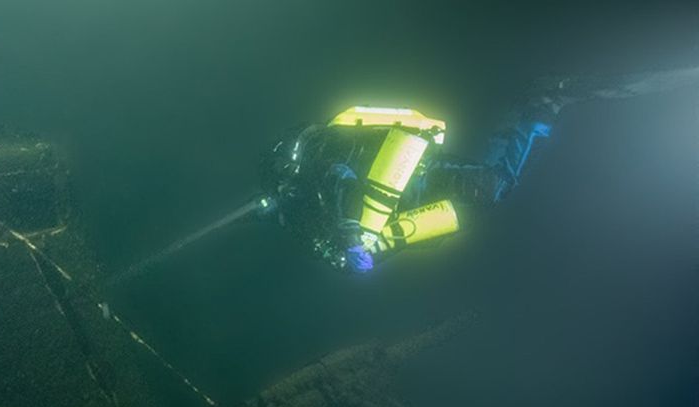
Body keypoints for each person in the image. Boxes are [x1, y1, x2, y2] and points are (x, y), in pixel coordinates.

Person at [263, 65, 699, 273]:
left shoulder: (318, 181)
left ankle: (542, 106)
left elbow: (342, 178)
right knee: (489, 184)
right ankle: (523, 110)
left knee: (496, 185)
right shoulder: (308, 199)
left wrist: (352, 230)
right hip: (415, 187)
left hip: (415, 177)